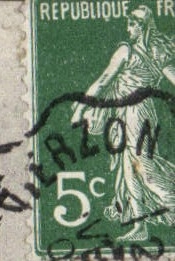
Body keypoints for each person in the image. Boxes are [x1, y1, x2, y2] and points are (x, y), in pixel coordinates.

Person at [70, 7, 175, 242]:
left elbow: (103, 81)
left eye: (132, 23)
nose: (128, 28)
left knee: (143, 166)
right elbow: (104, 80)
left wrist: (80, 107)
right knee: (128, 170)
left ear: (141, 26)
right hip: (125, 112)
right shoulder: (141, 50)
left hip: (138, 112)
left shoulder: (135, 51)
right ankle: (139, 226)